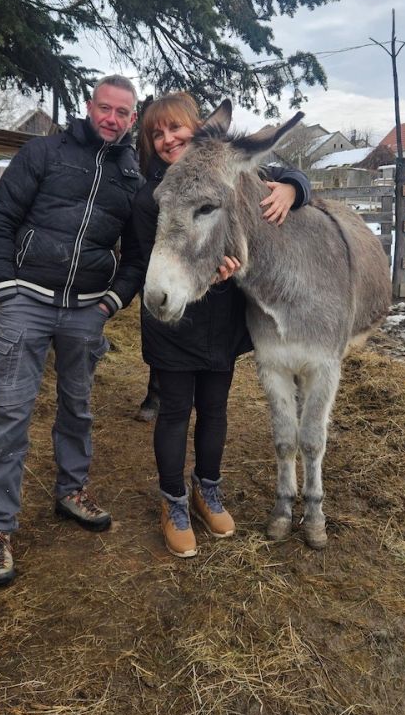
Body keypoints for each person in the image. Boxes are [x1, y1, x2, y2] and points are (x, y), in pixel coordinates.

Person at [0, 75, 144, 587]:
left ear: (132, 119)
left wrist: (110, 303)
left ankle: (71, 491)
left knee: (78, 407)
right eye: (104, 107)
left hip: (85, 311)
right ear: (89, 106)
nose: (111, 118)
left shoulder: (131, 178)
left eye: (122, 112)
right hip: (25, 302)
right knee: (9, 414)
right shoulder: (44, 153)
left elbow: (137, 257)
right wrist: (5, 287)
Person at [132, 93, 311, 558]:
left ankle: (207, 490)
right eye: (157, 133)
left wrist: (293, 188)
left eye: (175, 128)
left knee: (215, 409)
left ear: (197, 129)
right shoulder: (150, 193)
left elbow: (278, 175)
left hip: (222, 322)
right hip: (174, 323)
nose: (168, 139)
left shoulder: (225, 170)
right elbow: (153, 260)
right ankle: (173, 502)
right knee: (175, 411)